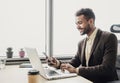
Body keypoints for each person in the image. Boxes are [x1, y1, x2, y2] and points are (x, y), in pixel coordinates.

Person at [47, 8, 118, 83]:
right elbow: (73, 63)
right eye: (76, 24)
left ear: (91, 21)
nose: (77, 27)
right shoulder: (81, 43)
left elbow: (107, 68)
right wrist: (57, 64)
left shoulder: (109, 37)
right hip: (87, 80)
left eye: (80, 23)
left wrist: (76, 70)